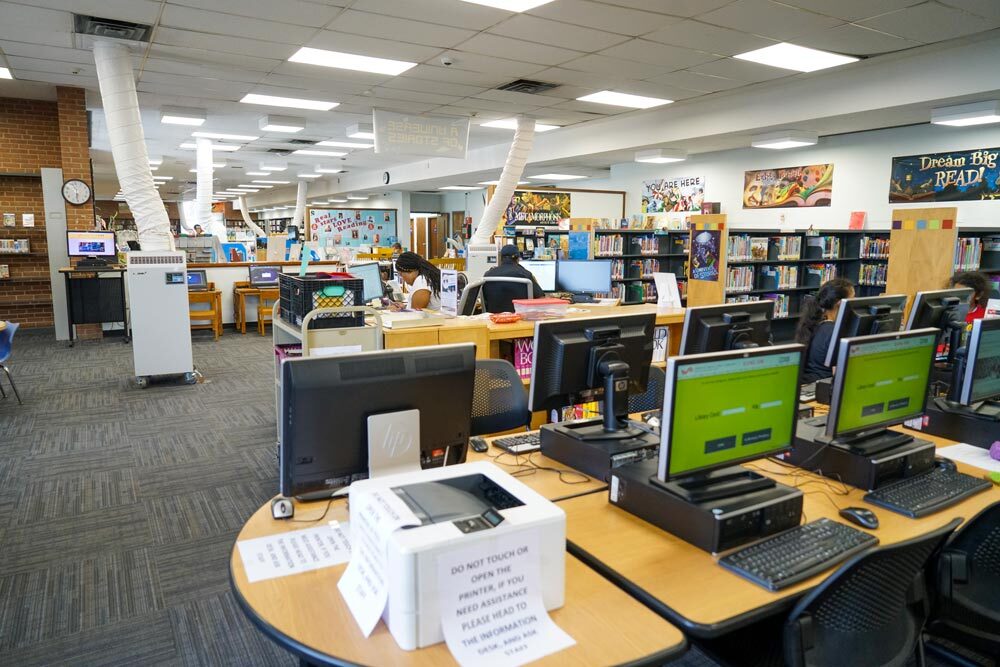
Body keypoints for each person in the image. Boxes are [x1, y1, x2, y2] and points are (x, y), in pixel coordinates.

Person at [796, 278, 854, 383]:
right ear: (840, 304)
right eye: (852, 300)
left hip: (811, 384)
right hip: (823, 387)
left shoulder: (814, 322)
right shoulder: (834, 332)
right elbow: (840, 376)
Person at [482, 245, 546, 313]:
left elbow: (484, 299)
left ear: (500, 258)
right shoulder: (526, 275)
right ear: (518, 259)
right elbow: (541, 299)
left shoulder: (488, 275)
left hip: (494, 321)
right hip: (521, 321)